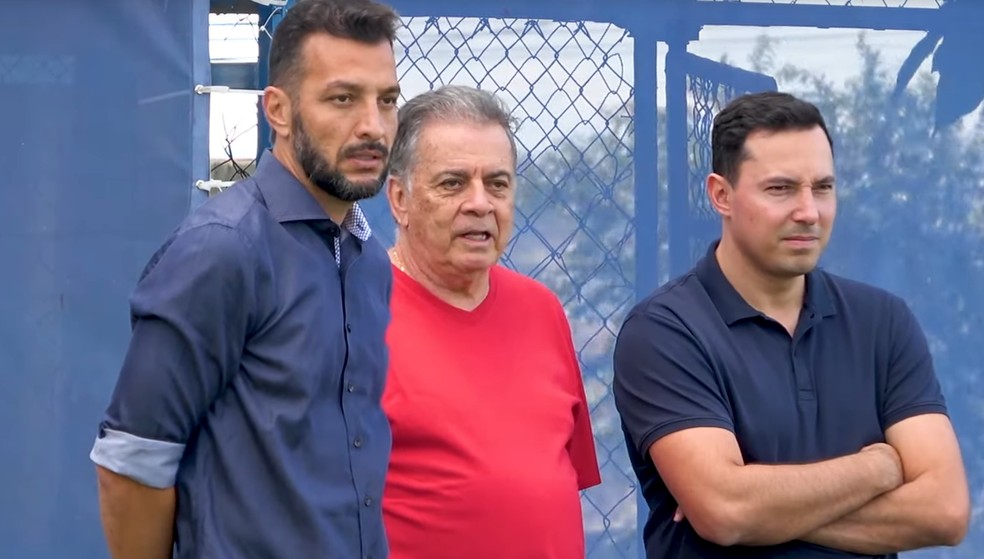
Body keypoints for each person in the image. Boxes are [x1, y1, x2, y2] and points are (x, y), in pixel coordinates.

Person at [88, 1, 402, 557]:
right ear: (277, 111)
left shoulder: (369, 260)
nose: (373, 127)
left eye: (387, 101)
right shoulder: (223, 249)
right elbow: (131, 463)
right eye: (342, 98)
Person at [613, 91, 970, 558]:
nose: (808, 212)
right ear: (721, 195)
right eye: (780, 189)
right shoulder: (666, 331)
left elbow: (944, 510)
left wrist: (760, 507)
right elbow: (725, 510)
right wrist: (879, 468)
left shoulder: (883, 322)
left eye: (822, 187)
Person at [379, 85, 602, 559]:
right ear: (399, 199)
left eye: (497, 184)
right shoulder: (352, 314)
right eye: (453, 183)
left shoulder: (542, 310)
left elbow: (552, 482)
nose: (480, 203)